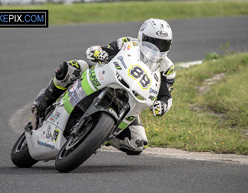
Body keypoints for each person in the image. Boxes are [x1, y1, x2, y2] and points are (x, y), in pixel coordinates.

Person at [31, 18, 176, 155]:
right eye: (152, 42)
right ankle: (45, 99)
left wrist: (162, 104)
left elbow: (166, 94)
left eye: (163, 44)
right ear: (141, 37)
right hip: (107, 77)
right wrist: (99, 53)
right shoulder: (127, 43)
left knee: (138, 144)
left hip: (131, 98)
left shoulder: (167, 68)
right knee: (72, 68)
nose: (157, 48)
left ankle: (99, 136)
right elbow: (105, 49)